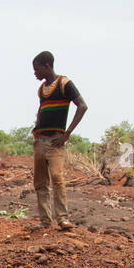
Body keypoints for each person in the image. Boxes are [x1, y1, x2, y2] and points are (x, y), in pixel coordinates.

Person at [30, 50, 87, 231]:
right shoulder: (42, 89)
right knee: (40, 182)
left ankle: (62, 219)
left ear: (46, 66)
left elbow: (82, 106)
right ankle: (45, 221)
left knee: (57, 177)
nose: (35, 73)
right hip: (41, 140)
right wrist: (37, 128)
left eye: (36, 69)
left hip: (56, 140)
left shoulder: (64, 84)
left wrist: (67, 133)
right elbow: (41, 109)